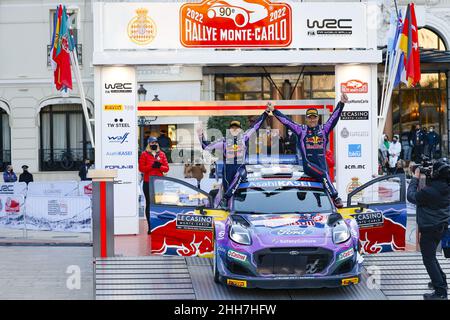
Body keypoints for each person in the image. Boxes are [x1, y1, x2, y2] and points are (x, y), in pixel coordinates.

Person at [267, 93, 348, 208]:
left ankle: (307, 195)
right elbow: (286, 121)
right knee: (324, 175)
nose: (312, 119)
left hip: (321, 166)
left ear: (318, 118)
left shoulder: (324, 129)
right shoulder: (301, 130)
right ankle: (336, 197)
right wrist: (274, 111)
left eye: (314, 117)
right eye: (309, 117)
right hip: (309, 165)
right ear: (306, 119)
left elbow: (334, 118)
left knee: (320, 193)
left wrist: (342, 103)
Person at [198, 110, 269, 208]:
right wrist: (200, 135)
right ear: (229, 130)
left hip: (240, 171)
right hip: (227, 173)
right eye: (232, 128)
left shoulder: (245, 137)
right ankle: (223, 205)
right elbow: (206, 147)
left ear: (240, 130)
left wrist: (266, 113)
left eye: (237, 128)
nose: (235, 130)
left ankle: (226, 198)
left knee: (239, 176)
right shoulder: (223, 141)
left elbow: (256, 126)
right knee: (226, 197)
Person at [407, 159, 450, 300]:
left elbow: (411, 196)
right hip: (440, 226)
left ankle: (441, 292)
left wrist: (415, 178)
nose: (430, 172)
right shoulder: (444, 186)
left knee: (428, 259)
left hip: (430, 228)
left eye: (432, 171)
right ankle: (441, 281)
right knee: (431, 256)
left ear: (437, 174)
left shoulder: (430, 191)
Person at [139, 136, 170, 234]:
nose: (154, 144)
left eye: (155, 142)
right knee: (149, 204)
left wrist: (160, 166)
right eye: (152, 143)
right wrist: (150, 166)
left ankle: (159, 226)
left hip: (159, 183)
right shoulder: (144, 154)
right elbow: (141, 169)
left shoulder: (162, 154)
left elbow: (166, 168)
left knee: (159, 204)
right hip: (148, 182)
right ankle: (150, 227)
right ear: (148, 144)